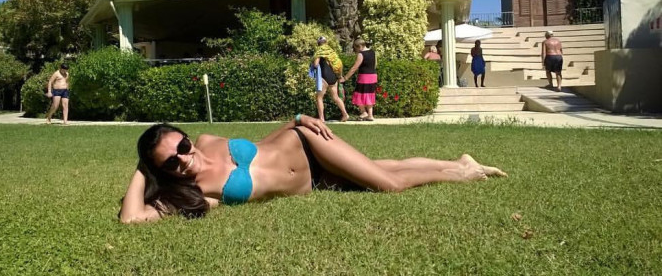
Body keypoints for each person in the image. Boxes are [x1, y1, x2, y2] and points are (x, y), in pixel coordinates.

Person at [118, 115, 508, 222]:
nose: (183, 157)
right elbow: (132, 218)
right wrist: (143, 167)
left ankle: (461, 172)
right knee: (378, 169)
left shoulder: (207, 139)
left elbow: (264, 146)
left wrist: (296, 121)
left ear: (186, 137)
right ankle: (459, 163)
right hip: (316, 181)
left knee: (388, 182)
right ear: (163, 170)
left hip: (306, 142)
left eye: (181, 146)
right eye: (171, 161)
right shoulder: (195, 193)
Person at [312, 36, 349, 122]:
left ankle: (321, 118)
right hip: (333, 76)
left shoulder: (319, 51)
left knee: (319, 97)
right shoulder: (331, 51)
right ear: (326, 42)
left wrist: (313, 64)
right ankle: (345, 114)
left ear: (318, 43)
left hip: (324, 76)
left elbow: (316, 64)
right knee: (335, 97)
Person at [340, 38, 377, 121]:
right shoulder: (373, 52)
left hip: (364, 76)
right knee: (369, 94)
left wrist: (345, 78)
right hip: (373, 76)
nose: (355, 50)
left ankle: (364, 112)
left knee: (358, 94)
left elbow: (354, 67)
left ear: (359, 46)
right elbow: (375, 64)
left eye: (355, 48)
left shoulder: (361, 54)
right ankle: (370, 115)